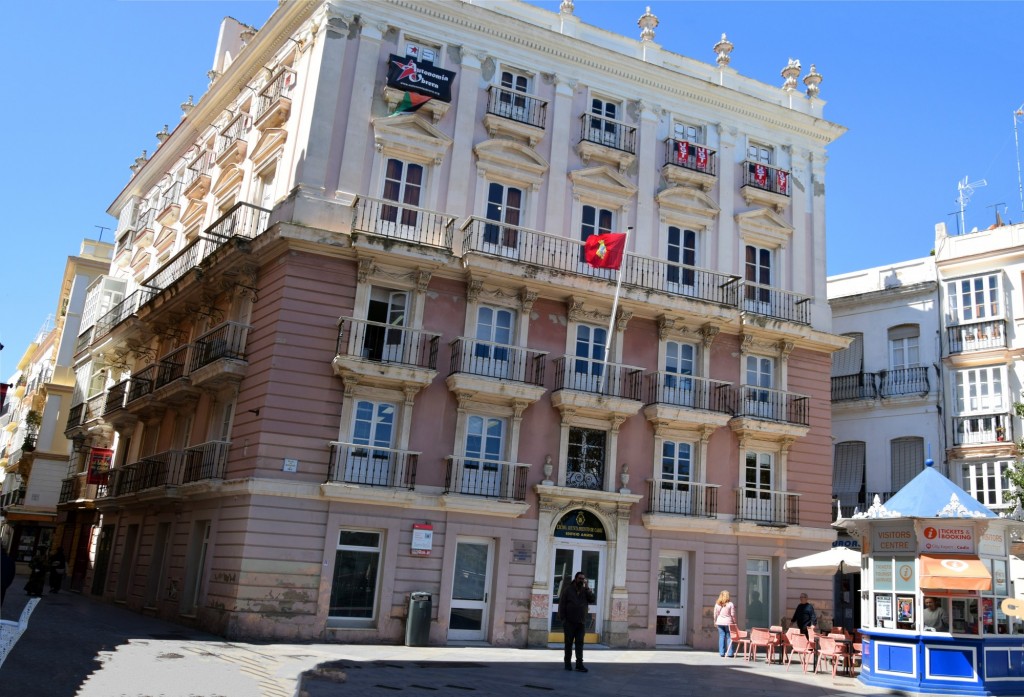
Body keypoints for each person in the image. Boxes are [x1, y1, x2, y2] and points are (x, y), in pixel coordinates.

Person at [558, 571, 595, 672]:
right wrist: (563, 620)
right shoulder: (567, 590)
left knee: (580, 643)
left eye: (583, 579)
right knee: (568, 643)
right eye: (580, 578)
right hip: (569, 622)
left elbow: (592, 599)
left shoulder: (584, 590)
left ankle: (579, 664)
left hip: (581, 622)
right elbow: (562, 605)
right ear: (575, 579)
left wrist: (587, 588)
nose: (581, 581)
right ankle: (567, 664)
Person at [713, 589, 738, 657]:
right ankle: (730, 653)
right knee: (729, 637)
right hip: (728, 622)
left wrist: (715, 621)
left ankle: (722, 653)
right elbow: (732, 614)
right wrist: (734, 622)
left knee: (721, 636)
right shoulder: (730, 604)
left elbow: (715, 614)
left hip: (720, 622)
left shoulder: (717, 604)